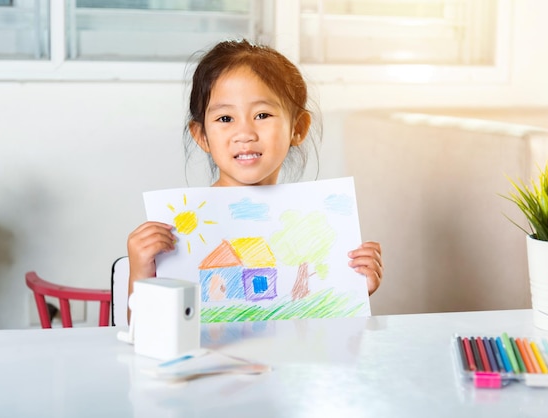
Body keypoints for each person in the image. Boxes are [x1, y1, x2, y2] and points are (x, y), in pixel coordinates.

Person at [127, 39, 383, 303]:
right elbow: (143, 332)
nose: (245, 134)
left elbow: (324, 330)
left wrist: (353, 288)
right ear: (201, 136)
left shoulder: (314, 223)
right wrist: (140, 270)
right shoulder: (178, 231)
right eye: (225, 119)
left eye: (262, 115)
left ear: (298, 128)